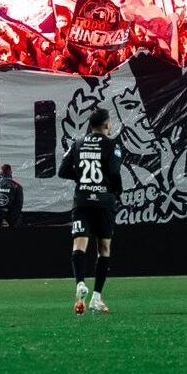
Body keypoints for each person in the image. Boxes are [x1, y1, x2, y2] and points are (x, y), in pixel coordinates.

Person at [57, 107, 123, 315]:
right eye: (110, 122)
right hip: (103, 201)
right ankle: (96, 298)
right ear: (105, 124)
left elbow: (62, 171)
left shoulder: (77, 143)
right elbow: (113, 172)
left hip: (82, 200)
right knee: (104, 249)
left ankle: (79, 283)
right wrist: (116, 189)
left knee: (79, 245)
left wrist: (81, 178)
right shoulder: (112, 145)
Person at [0, 163, 24, 228]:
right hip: (12, 222)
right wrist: (8, 219)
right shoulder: (17, 187)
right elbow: (18, 206)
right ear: (11, 173)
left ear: (0, 174)